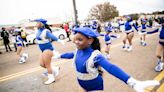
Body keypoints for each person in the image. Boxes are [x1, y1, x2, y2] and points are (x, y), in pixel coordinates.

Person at [53, 27, 159, 92]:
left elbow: (111, 67)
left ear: (90, 40)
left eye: (79, 40)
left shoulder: (95, 56)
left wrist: (132, 82)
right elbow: (70, 54)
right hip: (81, 84)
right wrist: (59, 56)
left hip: (95, 86)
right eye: (75, 39)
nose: (76, 42)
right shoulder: (77, 51)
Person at [34, 18, 64, 84]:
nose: (36, 24)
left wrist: (60, 41)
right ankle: (55, 69)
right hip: (42, 50)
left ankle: (51, 78)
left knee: (47, 65)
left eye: (37, 23)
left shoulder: (46, 31)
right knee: (41, 64)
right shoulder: (38, 30)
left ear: (41, 24)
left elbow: (52, 36)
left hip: (48, 49)